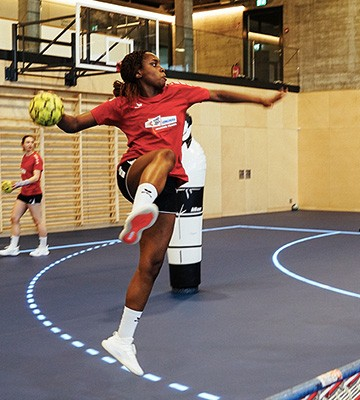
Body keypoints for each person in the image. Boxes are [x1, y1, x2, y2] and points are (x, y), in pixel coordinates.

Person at [56, 50, 285, 375]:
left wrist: (261, 100)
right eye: (154, 64)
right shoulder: (122, 105)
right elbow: (73, 124)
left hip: (168, 187)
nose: (162, 69)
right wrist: (54, 113)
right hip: (134, 173)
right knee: (165, 154)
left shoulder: (177, 93)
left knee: (151, 264)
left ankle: (122, 339)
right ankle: (141, 207)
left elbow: (218, 94)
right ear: (138, 72)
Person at [0, 135, 50, 257]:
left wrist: (20, 183)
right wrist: (16, 186)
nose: (30, 144)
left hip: (34, 193)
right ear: (23, 144)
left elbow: (36, 177)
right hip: (24, 193)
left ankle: (43, 248)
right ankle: (13, 247)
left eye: (32, 142)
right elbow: (26, 176)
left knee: (38, 220)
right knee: (14, 218)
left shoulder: (36, 158)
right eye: (27, 142)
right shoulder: (25, 157)